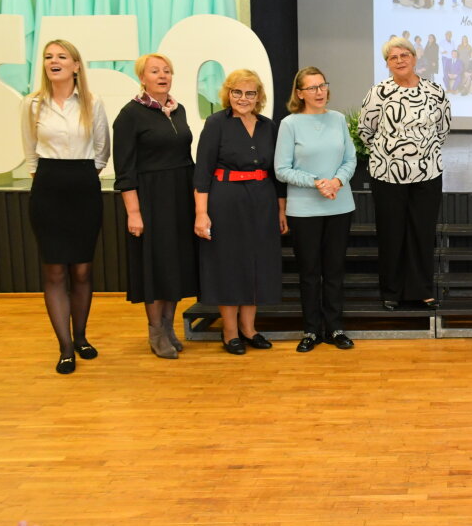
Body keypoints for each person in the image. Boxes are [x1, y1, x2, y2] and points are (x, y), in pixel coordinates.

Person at [20, 40, 110, 375]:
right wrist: (53, 178)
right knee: (55, 270)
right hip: (48, 189)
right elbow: (30, 153)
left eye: (61, 56)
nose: (53, 61)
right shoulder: (32, 104)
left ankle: (81, 336)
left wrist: (80, 177)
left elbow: (102, 151)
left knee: (82, 270)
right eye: (48, 57)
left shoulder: (92, 102)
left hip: (84, 187)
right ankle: (65, 347)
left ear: (76, 65)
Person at [193, 70, 286, 355]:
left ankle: (249, 329)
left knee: (256, 264)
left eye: (249, 93)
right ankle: (230, 332)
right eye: (237, 92)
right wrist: (201, 213)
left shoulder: (268, 126)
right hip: (226, 200)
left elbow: (277, 172)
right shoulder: (216, 123)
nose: (243, 98)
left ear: (259, 96)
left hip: (263, 199)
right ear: (228, 93)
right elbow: (202, 172)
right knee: (229, 265)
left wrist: (281, 210)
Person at [113, 53, 199, 360]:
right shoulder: (130, 114)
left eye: (166, 70)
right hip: (150, 198)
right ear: (142, 78)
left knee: (174, 264)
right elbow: (124, 169)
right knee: (155, 265)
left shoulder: (179, 110)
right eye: (154, 71)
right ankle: (155, 332)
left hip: (180, 196)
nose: (162, 75)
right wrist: (133, 212)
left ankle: (169, 327)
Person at [359, 37, 451, 310]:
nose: (399, 61)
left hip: (427, 174)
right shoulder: (378, 93)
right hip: (387, 175)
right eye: (393, 57)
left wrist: (421, 153)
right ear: (387, 63)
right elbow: (366, 131)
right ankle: (391, 291)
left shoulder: (435, 91)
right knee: (391, 234)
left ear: (414, 57)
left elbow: (443, 129)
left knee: (422, 233)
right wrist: (389, 154)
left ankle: (422, 290)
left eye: (404, 55)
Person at [276, 67, 357, 353]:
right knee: (309, 273)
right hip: (303, 210)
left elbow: (350, 159)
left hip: (339, 205)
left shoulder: (338, 119)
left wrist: (336, 181)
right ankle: (311, 330)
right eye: (311, 88)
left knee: (334, 271)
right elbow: (281, 169)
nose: (319, 92)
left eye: (322, 85)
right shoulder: (289, 124)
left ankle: (335, 328)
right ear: (300, 94)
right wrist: (316, 182)